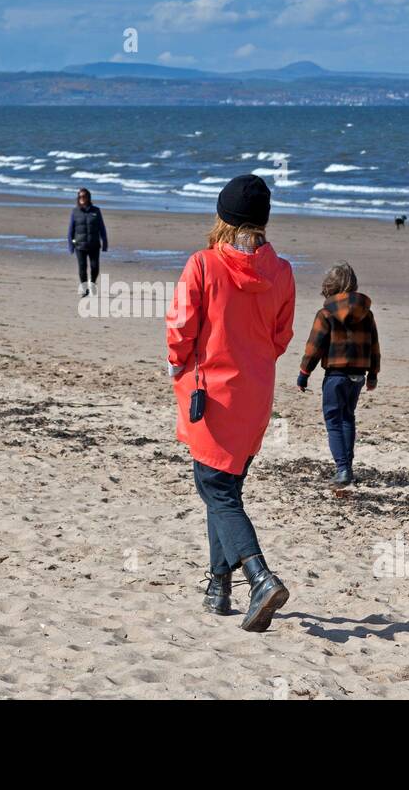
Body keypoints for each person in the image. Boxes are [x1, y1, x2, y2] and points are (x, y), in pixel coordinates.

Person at [166, 174, 295, 632]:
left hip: (211, 399)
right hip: (255, 398)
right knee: (224, 492)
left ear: (222, 219)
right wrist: (253, 359)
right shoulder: (281, 272)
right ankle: (219, 587)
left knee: (217, 492)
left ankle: (259, 576)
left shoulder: (203, 264)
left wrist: (176, 365)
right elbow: (281, 337)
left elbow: (181, 327)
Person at [296, 262, 381, 486]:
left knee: (334, 420)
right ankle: (347, 467)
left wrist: (304, 373)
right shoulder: (367, 314)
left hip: (335, 376)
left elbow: (314, 347)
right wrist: (372, 375)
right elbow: (374, 347)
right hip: (357, 377)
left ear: (330, 286)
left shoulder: (325, 314)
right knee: (347, 418)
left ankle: (343, 469)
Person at [68, 188, 108, 296]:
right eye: (80, 196)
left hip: (94, 245)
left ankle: (93, 284)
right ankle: (85, 290)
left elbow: (102, 228)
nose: (82, 198)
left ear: (88, 197)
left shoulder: (96, 211)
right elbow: (70, 230)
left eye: (84, 196)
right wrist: (71, 246)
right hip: (80, 246)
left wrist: (105, 244)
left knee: (95, 267)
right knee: (82, 268)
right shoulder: (75, 211)